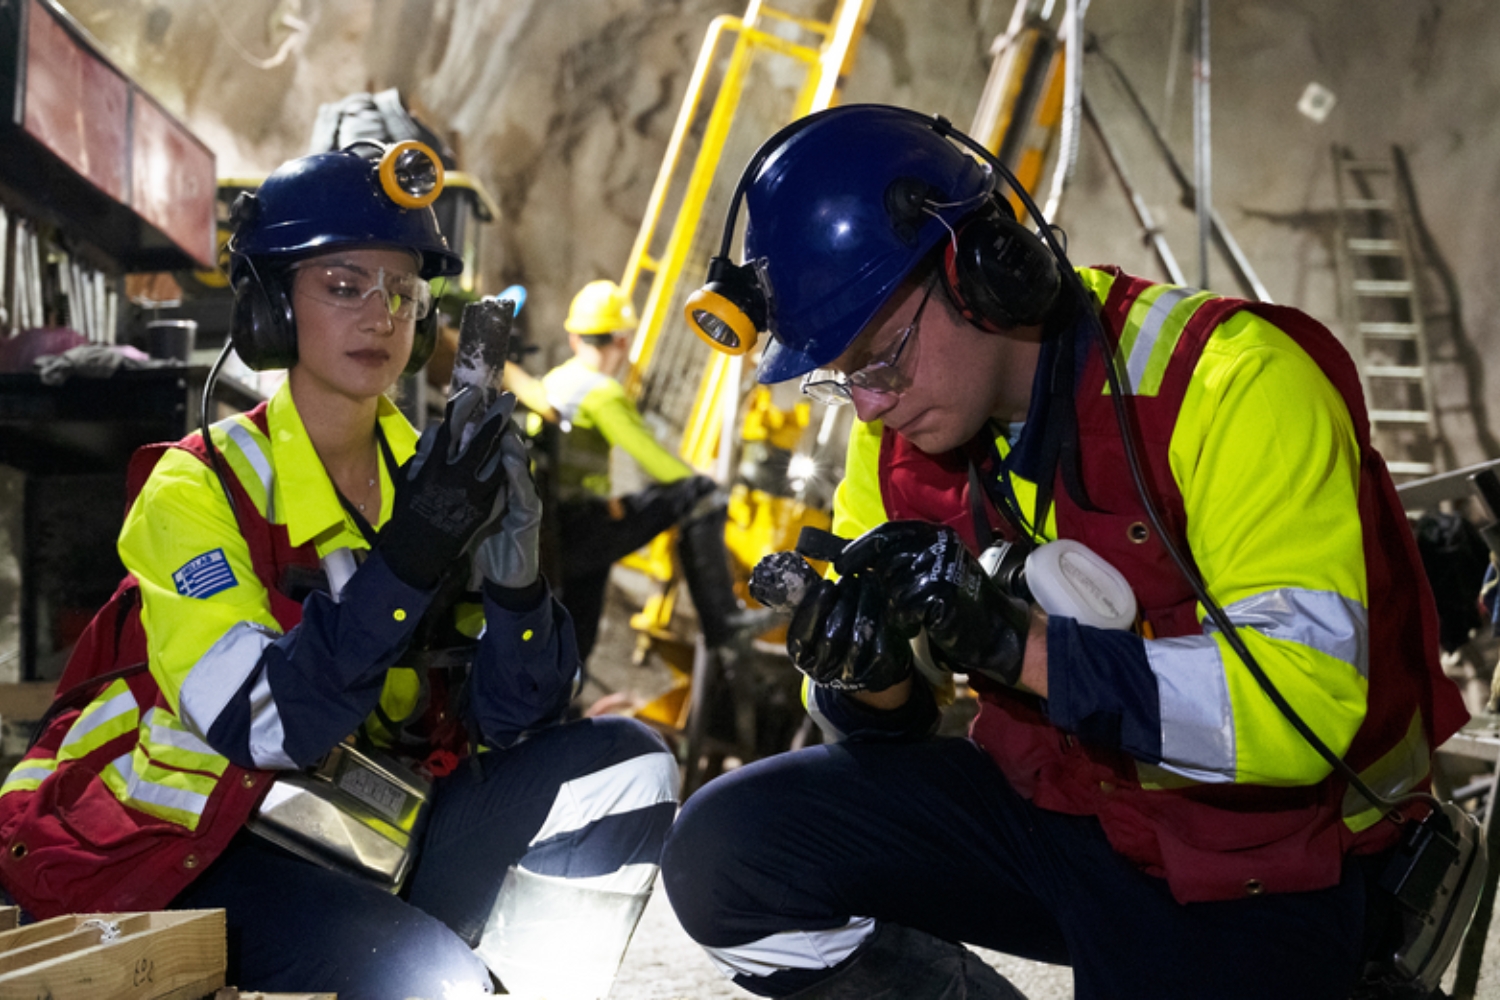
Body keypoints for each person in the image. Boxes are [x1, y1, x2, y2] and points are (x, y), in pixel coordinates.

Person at [659, 104, 1471, 999]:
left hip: (1271, 858)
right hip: (1066, 810)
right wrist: (867, 669)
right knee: (725, 857)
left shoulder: (1237, 387)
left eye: (880, 360)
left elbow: (1304, 715)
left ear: (982, 273)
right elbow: (886, 727)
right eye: (842, 375)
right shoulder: (894, 434)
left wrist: (1018, 646)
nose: (868, 404)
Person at [0, 144, 678, 1000]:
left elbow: (517, 721)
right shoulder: (201, 484)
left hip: (362, 827)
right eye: (345, 285)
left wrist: (514, 582)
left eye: (401, 292)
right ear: (270, 310)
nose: (381, 316)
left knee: (625, 765)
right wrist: (411, 557)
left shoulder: (428, 474)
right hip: (194, 840)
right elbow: (261, 724)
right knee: (435, 983)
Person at [541, 279, 716, 666]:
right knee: (697, 490)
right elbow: (656, 462)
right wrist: (707, 484)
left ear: (575, 339)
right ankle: (722, 620)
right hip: (578, 530)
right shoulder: (602, 391)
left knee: (567, 623)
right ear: (620, 342)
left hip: (544, 532)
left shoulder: (554, 380)